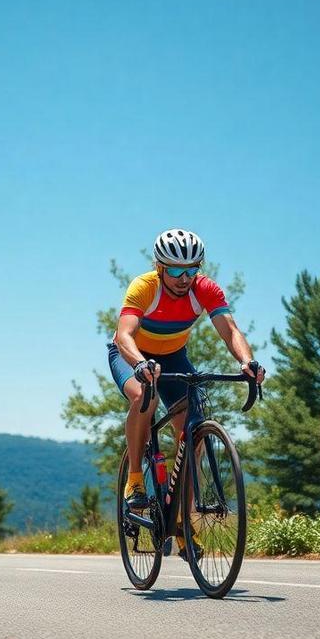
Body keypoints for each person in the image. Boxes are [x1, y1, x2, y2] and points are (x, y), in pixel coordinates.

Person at [108, 229, 264, 560]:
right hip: (130, 354)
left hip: (174, 356)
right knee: (144, 398)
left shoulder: (204, 289)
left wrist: (246, 361)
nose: (184, 278)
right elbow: (124, 335)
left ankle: (181, 515)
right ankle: (135, 477)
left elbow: (230, 330)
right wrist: (139, 363)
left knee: (192, 429)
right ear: (159, 267)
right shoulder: (144, 287)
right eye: (176, 271)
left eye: (192, 270)